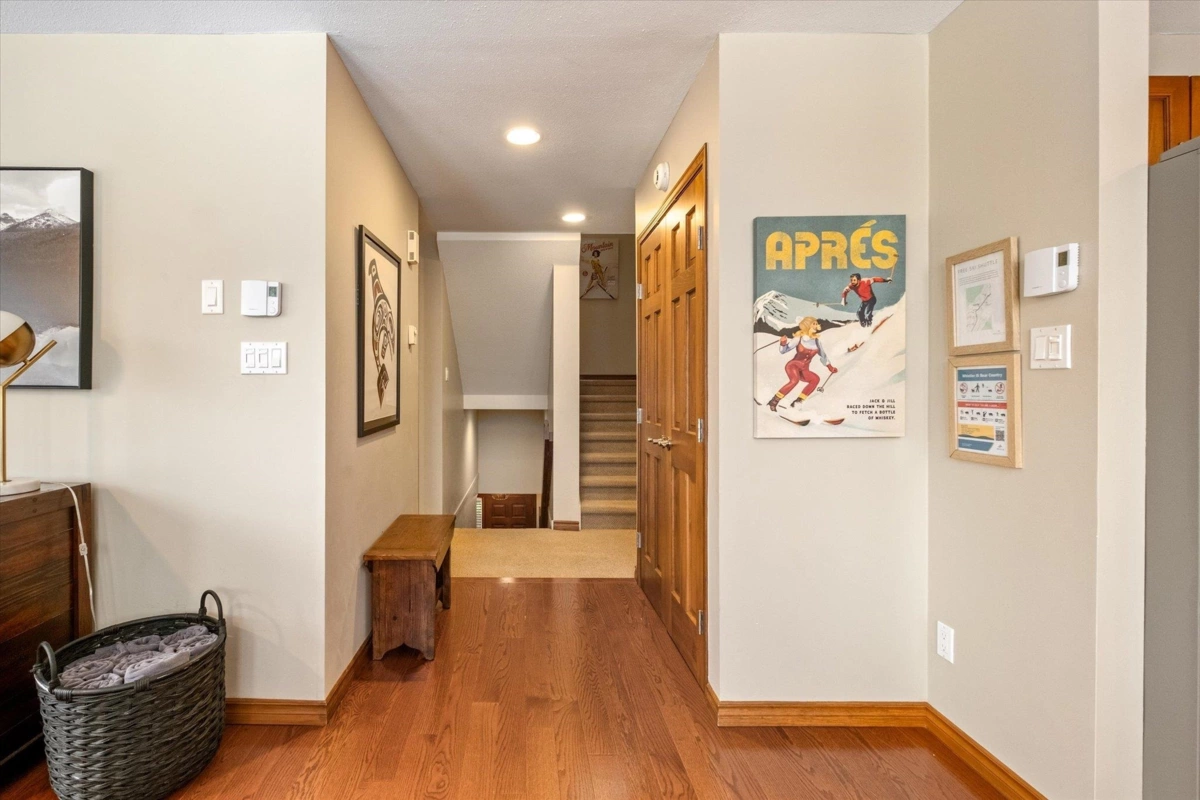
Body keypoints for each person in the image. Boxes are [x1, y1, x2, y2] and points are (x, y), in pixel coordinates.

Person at [767, 316, 837, 411]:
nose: (816, 326)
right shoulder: (799, 338)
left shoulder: (816, 341)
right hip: (793, 366)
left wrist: (830, 367)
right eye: (813, 324)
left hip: (804, 369)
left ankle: (797, 402)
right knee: (794, 381)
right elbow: (784, 351)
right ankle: (773, 401)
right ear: (807, 325)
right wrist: (783, 343)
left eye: (816, 324)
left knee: (815, 379)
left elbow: (823, 355)